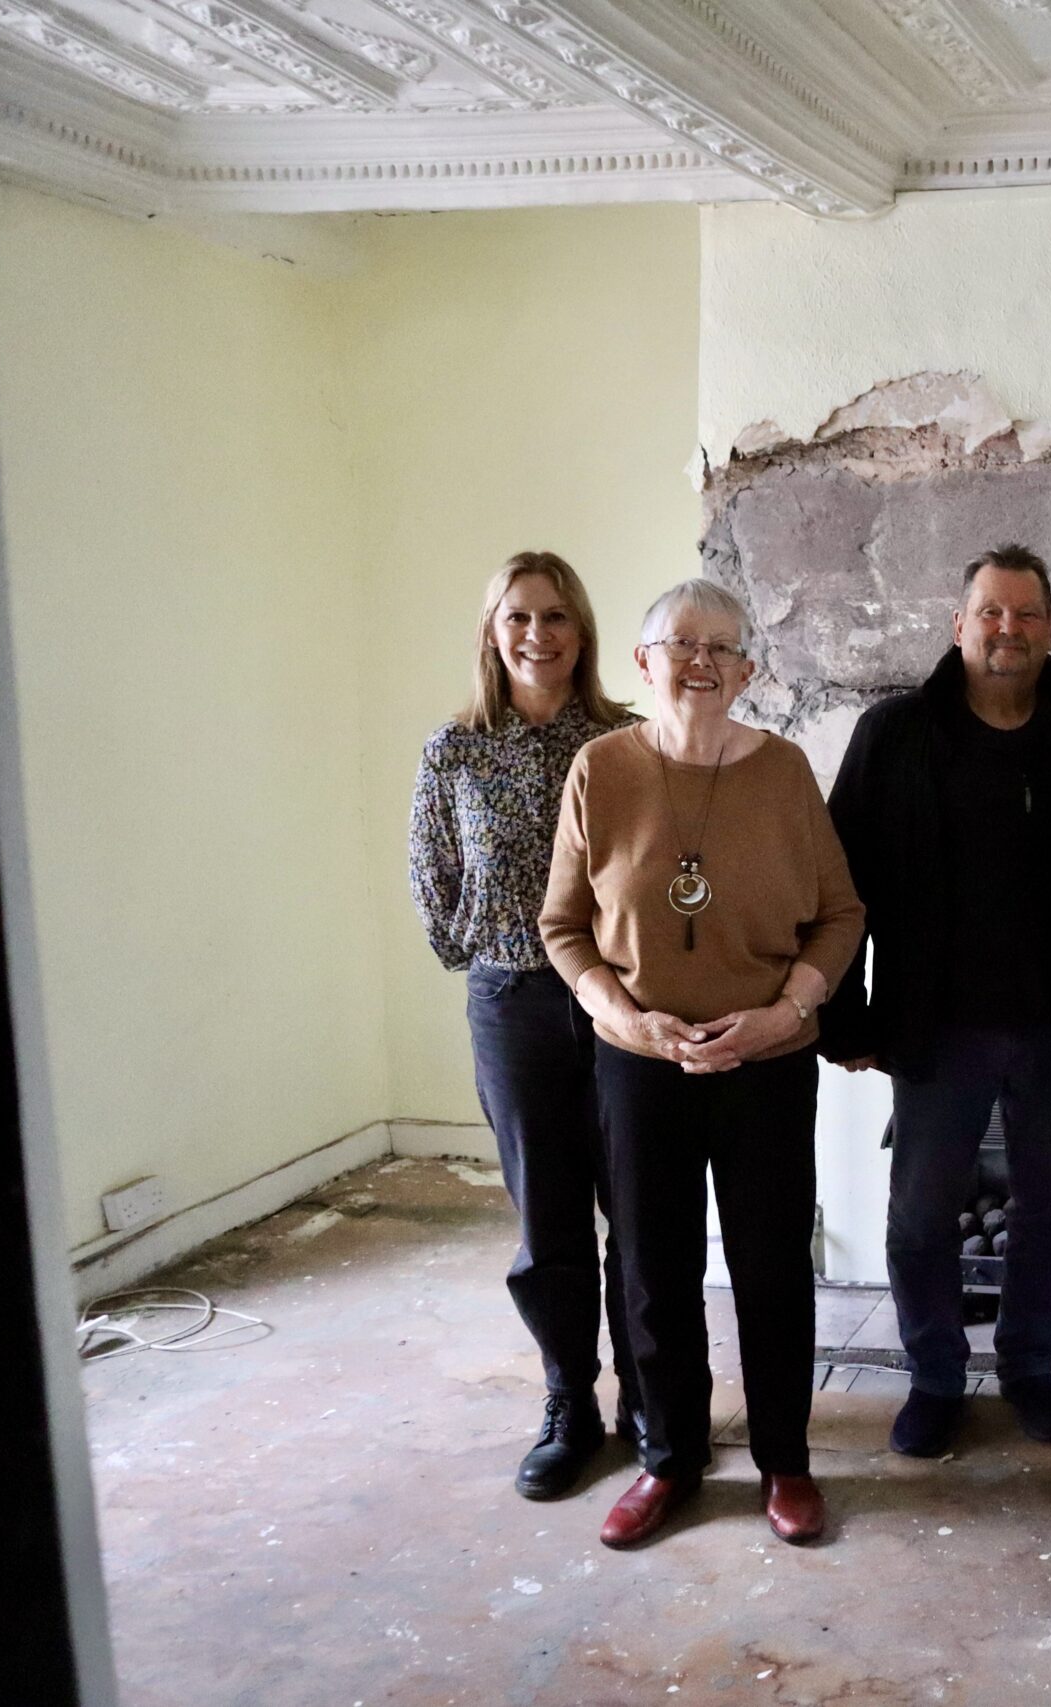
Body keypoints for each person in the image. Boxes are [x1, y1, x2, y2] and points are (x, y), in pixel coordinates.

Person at [539, 579, 866, 1550]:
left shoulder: (784, 773)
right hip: (641, 1064)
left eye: (722, 647)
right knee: (653, 1267)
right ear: (642, 664)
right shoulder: (600, 770)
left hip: (765, 1060)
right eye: (679, 643)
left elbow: (841, 913)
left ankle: (786, 1462)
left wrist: (788, 1011)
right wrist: (622, 1018)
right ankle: (668, 1458)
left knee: (771, 1267)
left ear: (749, 671)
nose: (700, 661)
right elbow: (564, 928)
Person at [822, 545, 1051, 1458]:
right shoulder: (893, 732)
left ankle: (1027, 1364)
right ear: (959, 623)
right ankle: (936, 1375)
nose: (1007, 630)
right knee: (917, 1215)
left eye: (1025, 614)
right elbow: (840, 881)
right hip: (937, 1022)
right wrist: (846, 1011)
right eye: (991, 611)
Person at [410, 550, 644, 1500]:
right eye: (519, 618)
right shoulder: (455, 749)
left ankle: (650, 1396)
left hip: (629, 1002)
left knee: (638, 1208)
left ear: (581, 631)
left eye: (555, 617)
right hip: (515, 1002)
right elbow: (434, 890)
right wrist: (501, 949)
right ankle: (568, 1403)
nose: (537, 635)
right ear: (492, 631)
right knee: (549, 1221)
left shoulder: (629, 740)